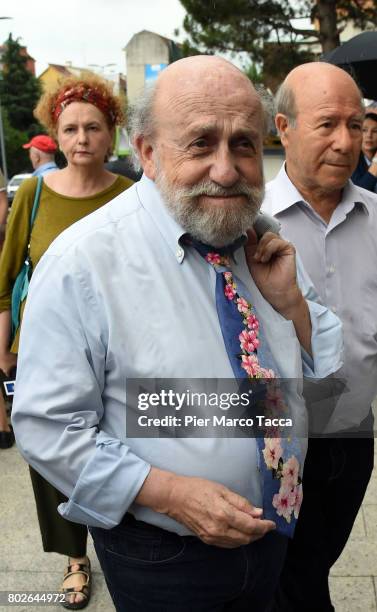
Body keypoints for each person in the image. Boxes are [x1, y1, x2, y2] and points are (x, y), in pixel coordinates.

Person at [12, 56, 342, 612]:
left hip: (273, 530)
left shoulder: (257, 235)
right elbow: (48, 427)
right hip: (165, 554)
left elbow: (326, 360)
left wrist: (290, 305)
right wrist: (170, 493)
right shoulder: (85, 262)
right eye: (199, 143)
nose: (227, 169)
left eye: (242, 144)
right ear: (146, 151)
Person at [0, 73, 133, 608]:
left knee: (117, 446)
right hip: (44, 349)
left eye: (93, 128)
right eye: (71, 128)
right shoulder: (31, 192)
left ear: (111, 134)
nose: (82, 138)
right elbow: (6, 277)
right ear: (56, 134)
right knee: (52, 456)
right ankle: (74, 558)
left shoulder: (131, 195)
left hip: (115, 349)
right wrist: (5, 351)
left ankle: (123, 543)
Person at [261, 62, 375, 612]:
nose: (345, 140)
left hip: (353, 434)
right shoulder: (247, 219)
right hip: (272, 441)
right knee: (290, 578)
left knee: (317, 562)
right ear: (283, 127)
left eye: (356, 125)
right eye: (327, 123)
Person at [351, 112, 377, 191]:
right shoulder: (351, 158)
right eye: (364, 130)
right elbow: (357, 192)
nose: (369, 135)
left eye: (375, 131)